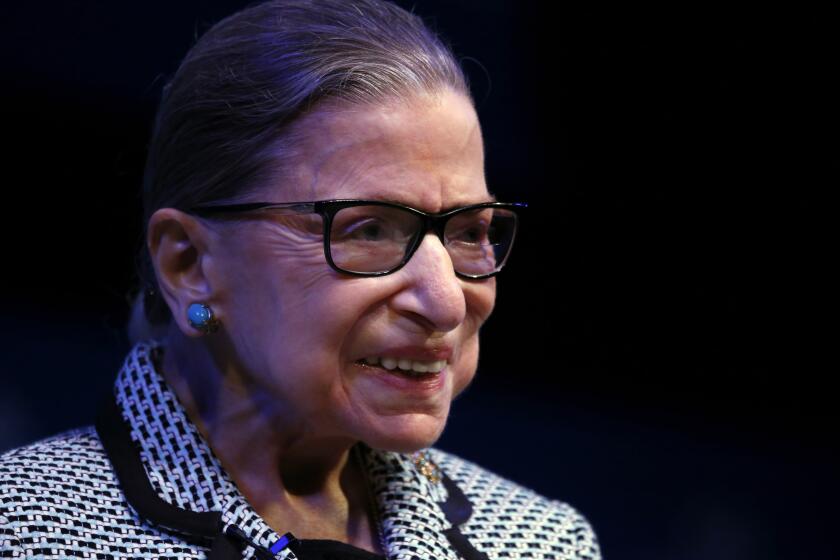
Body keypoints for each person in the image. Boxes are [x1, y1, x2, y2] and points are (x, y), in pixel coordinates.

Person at [0, 1, 600, 558]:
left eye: (470, 231)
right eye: (368, 230)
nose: (444, 303)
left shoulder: (541, 541)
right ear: (190, 265)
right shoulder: (26, 532)